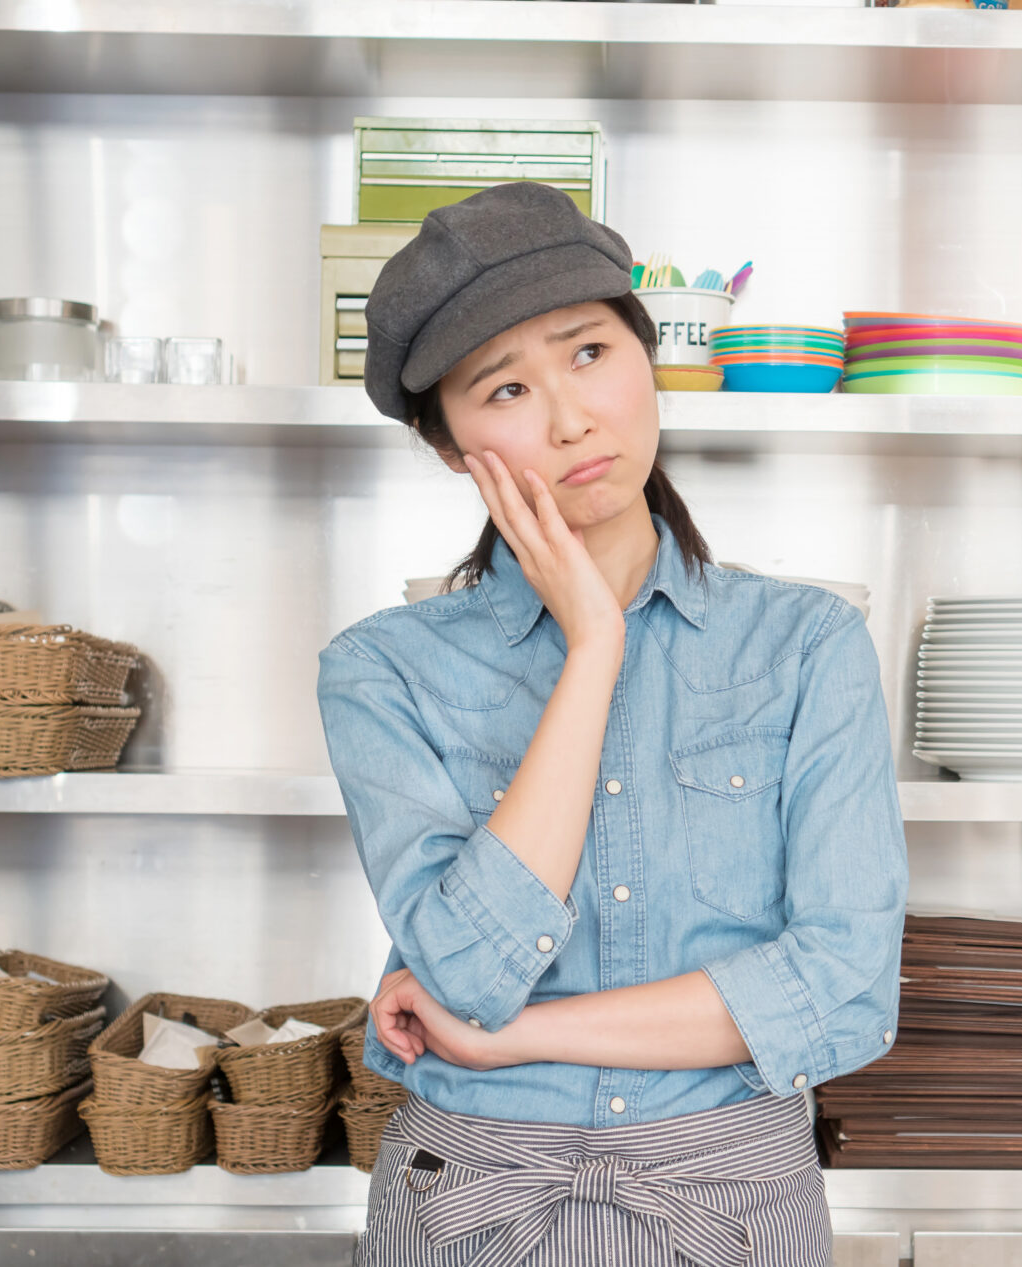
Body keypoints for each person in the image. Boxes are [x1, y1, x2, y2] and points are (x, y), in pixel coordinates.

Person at [316, 181, 908, 1267]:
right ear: (452, 446)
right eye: (504, 387)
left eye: (587, 352)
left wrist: (520, 1039)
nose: (569, 417)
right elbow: (467, 974)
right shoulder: (380, 670)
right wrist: (592, 648)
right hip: (472, 1210)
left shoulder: (807, 645)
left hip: (732, 1206)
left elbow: (847, 992)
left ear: (644, 356)